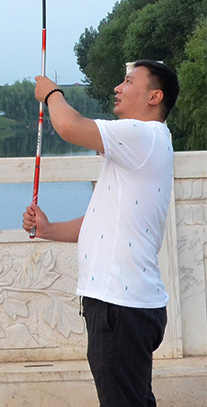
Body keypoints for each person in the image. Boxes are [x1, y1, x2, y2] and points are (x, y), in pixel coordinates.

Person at [23, 60, 180, 407]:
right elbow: (99, 222)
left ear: (155, 96)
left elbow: (67, 125)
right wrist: (47, 229)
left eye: (127, 82)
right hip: (124, 307)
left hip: (120, 307)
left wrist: (51, 93)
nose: (117, 88)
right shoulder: (140, 148)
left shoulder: (144, 135)